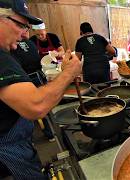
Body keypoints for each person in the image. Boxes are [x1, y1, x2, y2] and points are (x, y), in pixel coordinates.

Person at [0, 0, 82, 179]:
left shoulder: (6, 54)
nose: (25, 36)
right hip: (7, 147)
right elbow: (36, 106)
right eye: (22, 25)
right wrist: (69, 73)